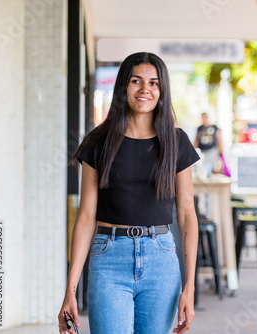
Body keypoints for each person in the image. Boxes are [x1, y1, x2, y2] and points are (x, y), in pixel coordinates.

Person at [58, 52, 200, 334]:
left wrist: (190, 286)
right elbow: (86, 217)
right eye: (136, 81)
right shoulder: (98, 142)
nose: (145, 89)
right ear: (123, 86)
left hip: (161, 259)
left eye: (154, 83)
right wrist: (70, 290)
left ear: (162, 90)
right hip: (108, 258)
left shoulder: (176, 141)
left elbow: (186, 214)